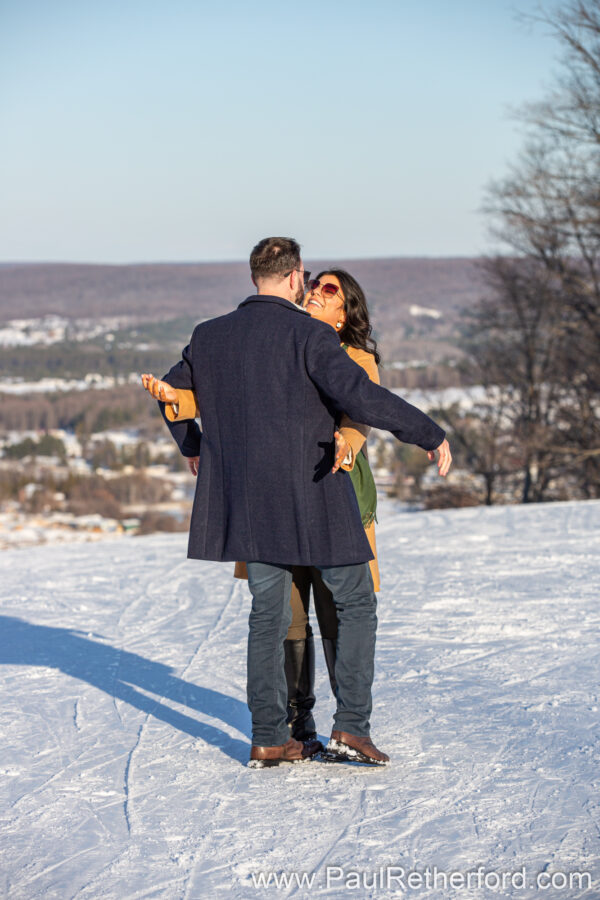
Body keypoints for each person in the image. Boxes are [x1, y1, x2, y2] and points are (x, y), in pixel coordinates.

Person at [142, 237, 451, 768]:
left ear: (254, 276)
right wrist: (428, 432)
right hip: (315, 494)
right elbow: (361, 397)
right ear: (293, 278)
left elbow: (169, 393)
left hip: (248, 502)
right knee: (356, 601)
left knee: (268, 614)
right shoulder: (310, 334)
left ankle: (269, 736)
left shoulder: (209, 335)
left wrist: (194, 447)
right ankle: (350, 727)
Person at [146, 268, 383, 753]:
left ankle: (349, 723)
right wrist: (178, 403)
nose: (315, 291)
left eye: (330, 289)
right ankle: (296, 727)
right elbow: (226, 396)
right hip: (274, 502)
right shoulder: (280, 344)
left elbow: (360, 411)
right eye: (313, 283)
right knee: (288, 618)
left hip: (334, 498)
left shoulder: (356, 357)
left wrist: (347, 439)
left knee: (338, 613)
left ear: (345, 313)